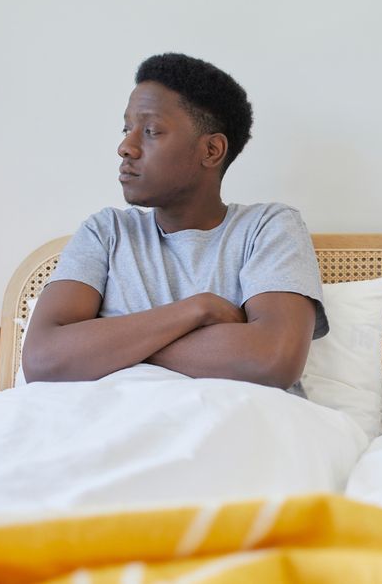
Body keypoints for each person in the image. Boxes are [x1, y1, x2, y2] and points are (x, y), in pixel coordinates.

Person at [22, 53, 328, 392]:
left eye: (151, 131)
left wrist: (107, 341)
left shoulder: (268, 227)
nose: (126, 146)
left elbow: (273, 360)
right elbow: (41, 358)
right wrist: (198, 309)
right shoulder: (105, 232)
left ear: (211, 150)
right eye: (127, 129)